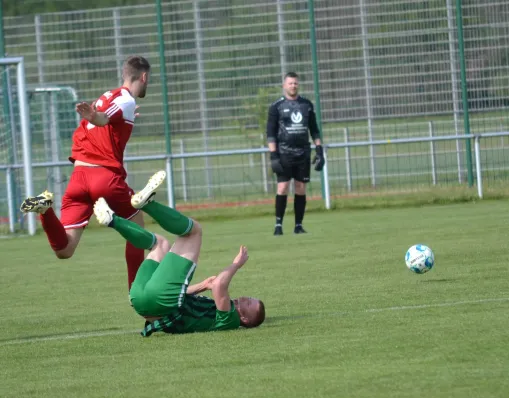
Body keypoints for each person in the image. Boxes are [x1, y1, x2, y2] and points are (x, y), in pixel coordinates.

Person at [20, 55, 151, 290]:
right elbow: (102, 119)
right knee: (138, 233)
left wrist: (103, 117)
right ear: (144, 77)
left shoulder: (106, 97)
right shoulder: (125, 99)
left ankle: (45, 210)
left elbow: (104, 120)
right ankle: (137, 292)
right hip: (104, 178)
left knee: (65, 249)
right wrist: (97, 117)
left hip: (79, 178)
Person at [92, 170, 266, 336]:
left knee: (194, 231)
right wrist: (202, 286)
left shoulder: (231, 320)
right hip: (140, 299)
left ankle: (147, 204)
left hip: (159, 302)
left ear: (245, 319)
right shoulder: (215, 313)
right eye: (250, 297)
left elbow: (220, 285)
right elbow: (179, 296)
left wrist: (236, 264)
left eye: (249, 302)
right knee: (159, 243)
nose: (245, 298)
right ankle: (113, 220)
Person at [266, 72, 325, 236]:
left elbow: (314, 130)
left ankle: (298, 225)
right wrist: (273, 155)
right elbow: (270, 133)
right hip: (284, 153)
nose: (293, 86)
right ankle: (278, 225)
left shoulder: (306, 104)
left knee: (300, 188)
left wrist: (319, 150)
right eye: (290, 83)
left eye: (295, 83)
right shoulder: (276, 106)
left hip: (303, 153)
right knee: (283, 187)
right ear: (284, 86)